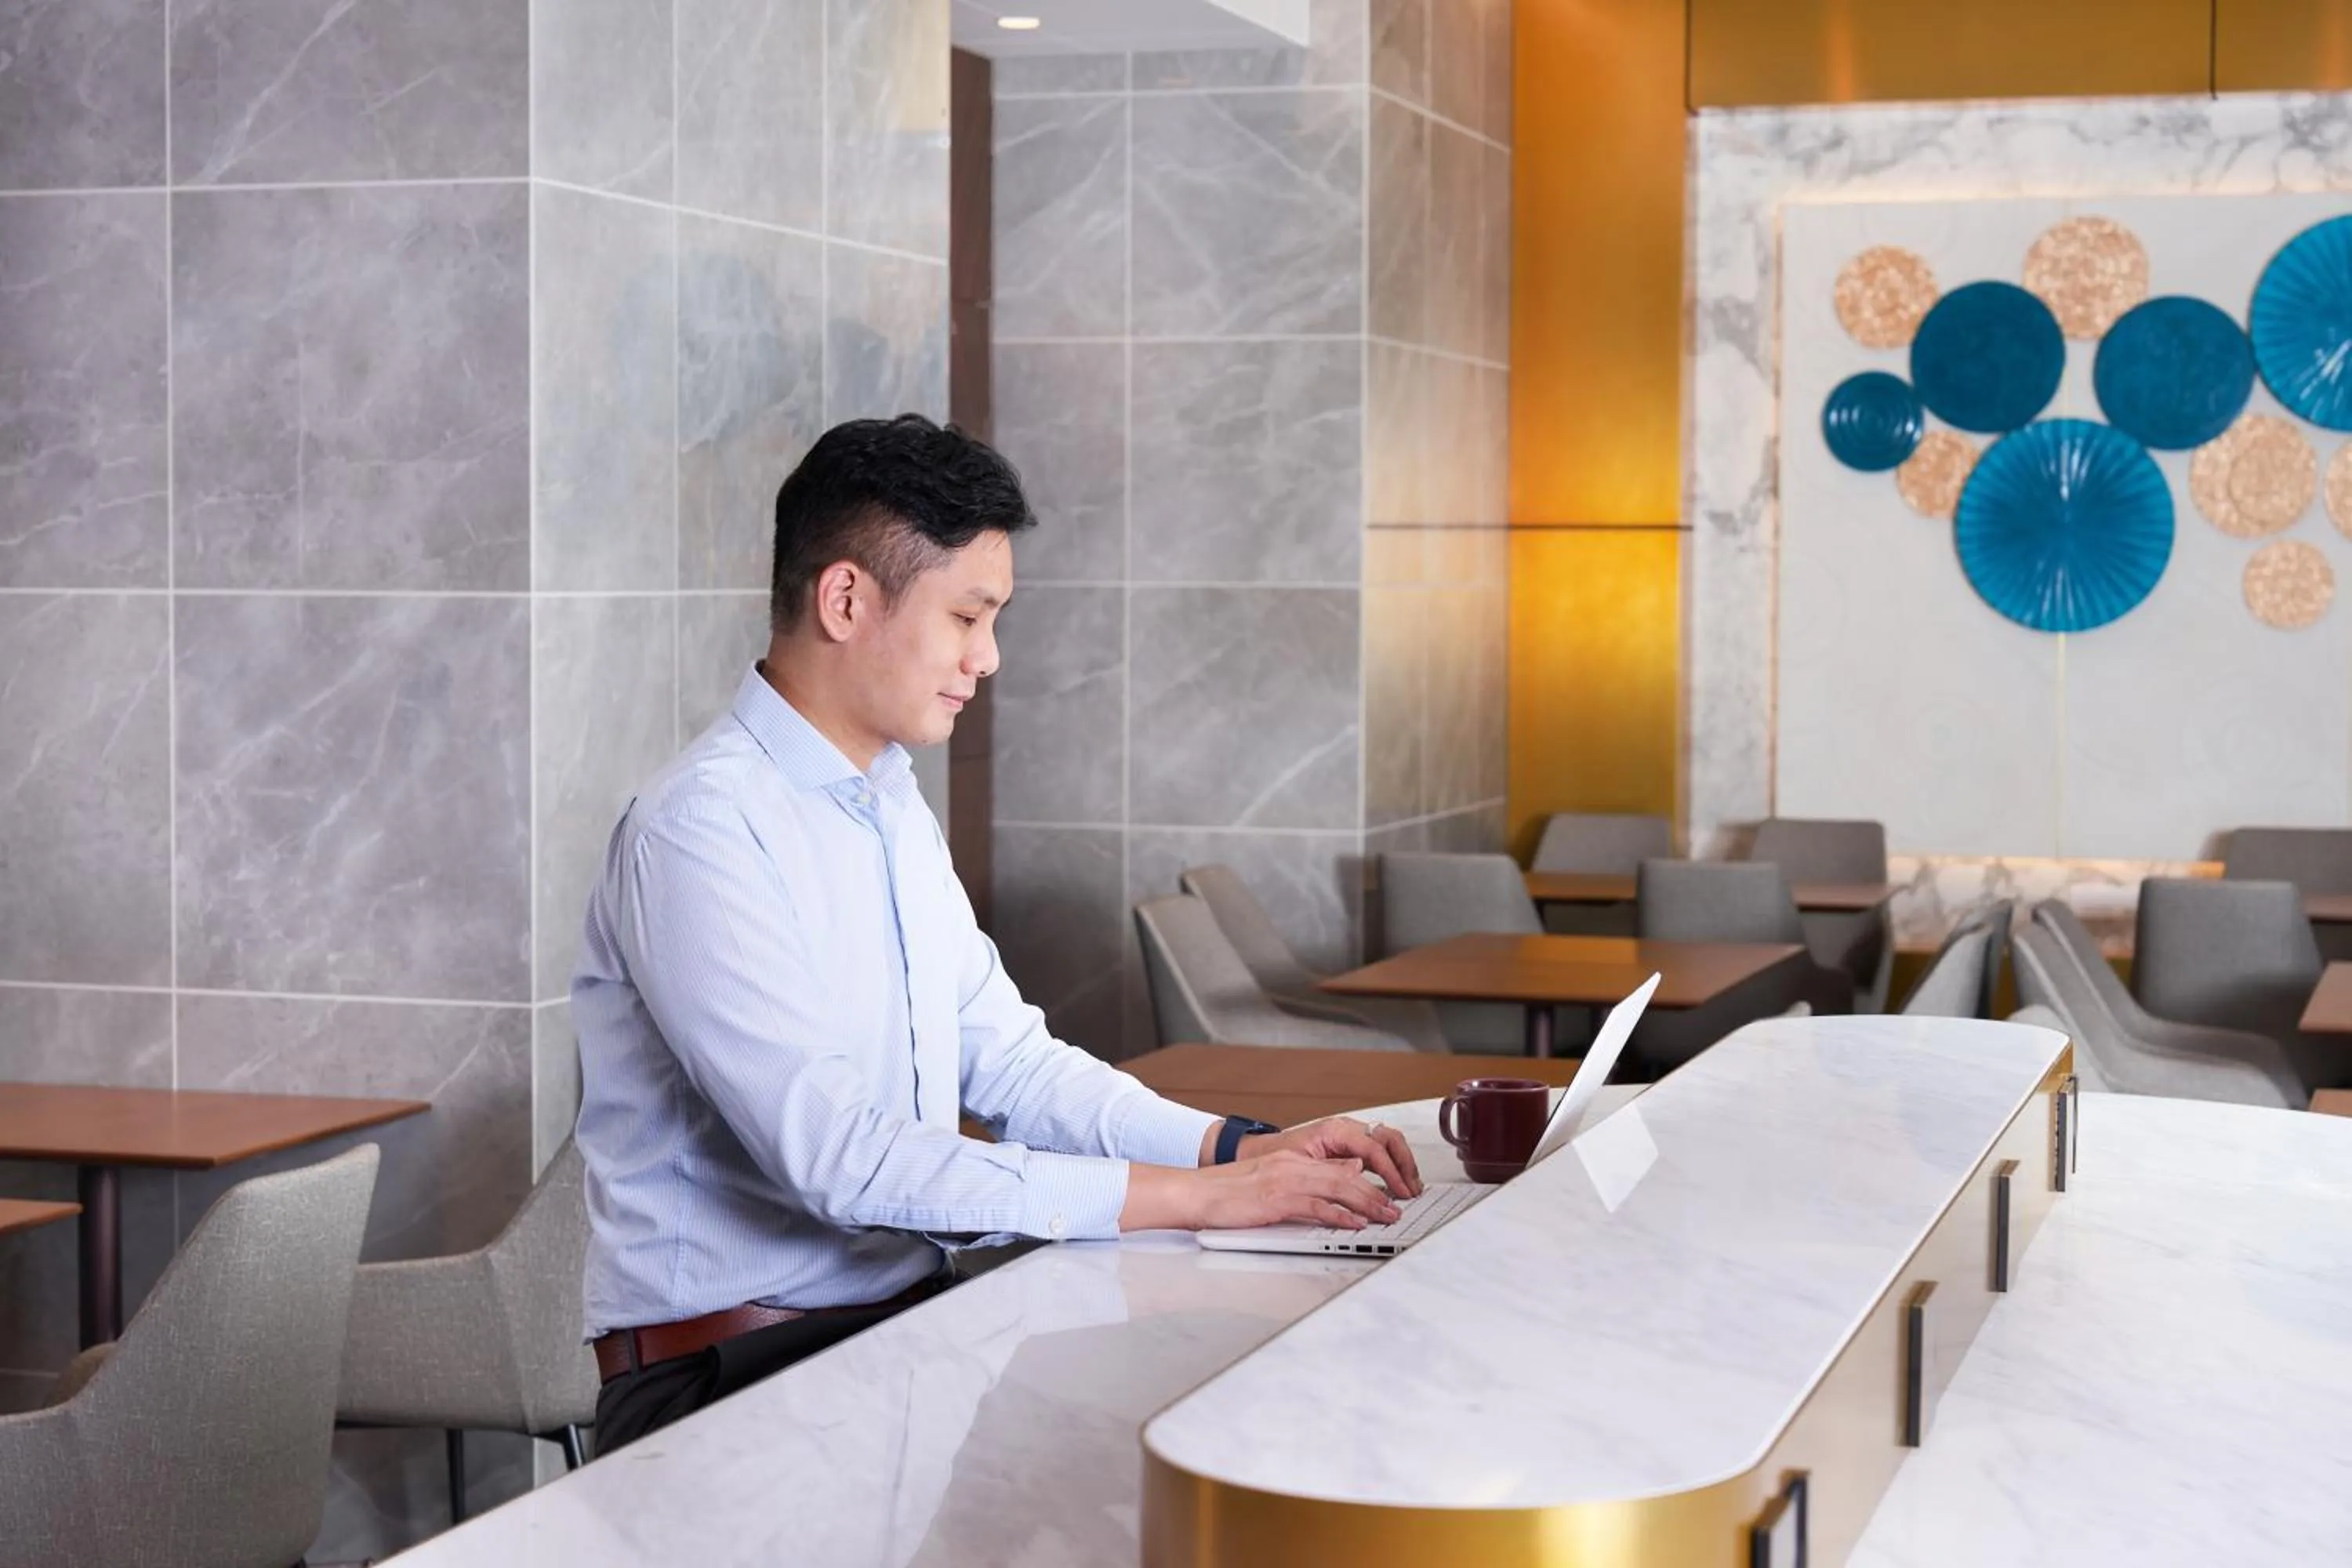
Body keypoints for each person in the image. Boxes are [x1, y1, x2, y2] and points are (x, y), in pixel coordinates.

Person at [572, 415, 1421, 1452]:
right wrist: (1205, 1196)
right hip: (728, 1384)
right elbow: (842, 1162)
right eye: (968, 617)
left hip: (898, 1341)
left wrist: (1239, 1145)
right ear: (846, 600)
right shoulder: (700, 831)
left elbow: (1013, 1068)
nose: (989, 658)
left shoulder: (886, 800)